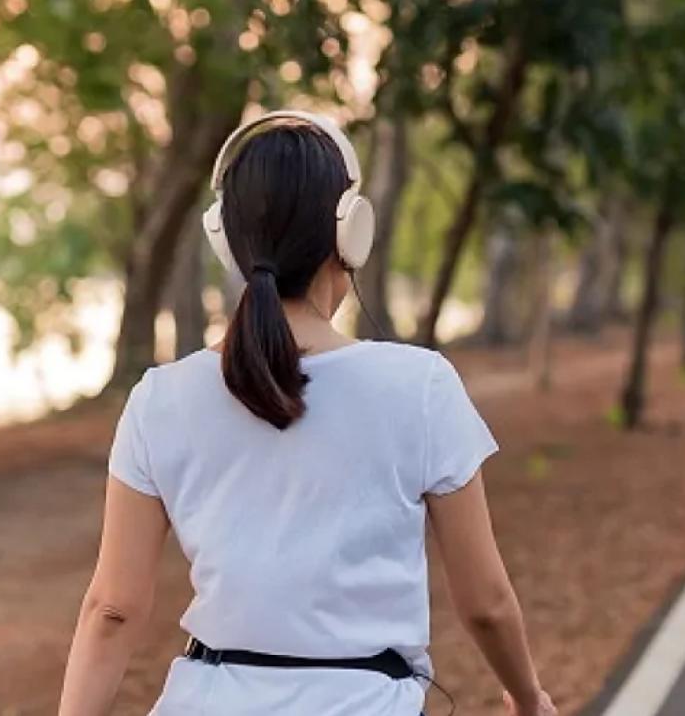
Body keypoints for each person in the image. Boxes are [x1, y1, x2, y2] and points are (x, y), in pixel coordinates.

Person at [59, 112, 556, 716]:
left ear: (226, 239)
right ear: (350, 235)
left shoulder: (159, 399)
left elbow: (112, 608)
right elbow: (485, 603)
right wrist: (529, 701)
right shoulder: (420, 387)